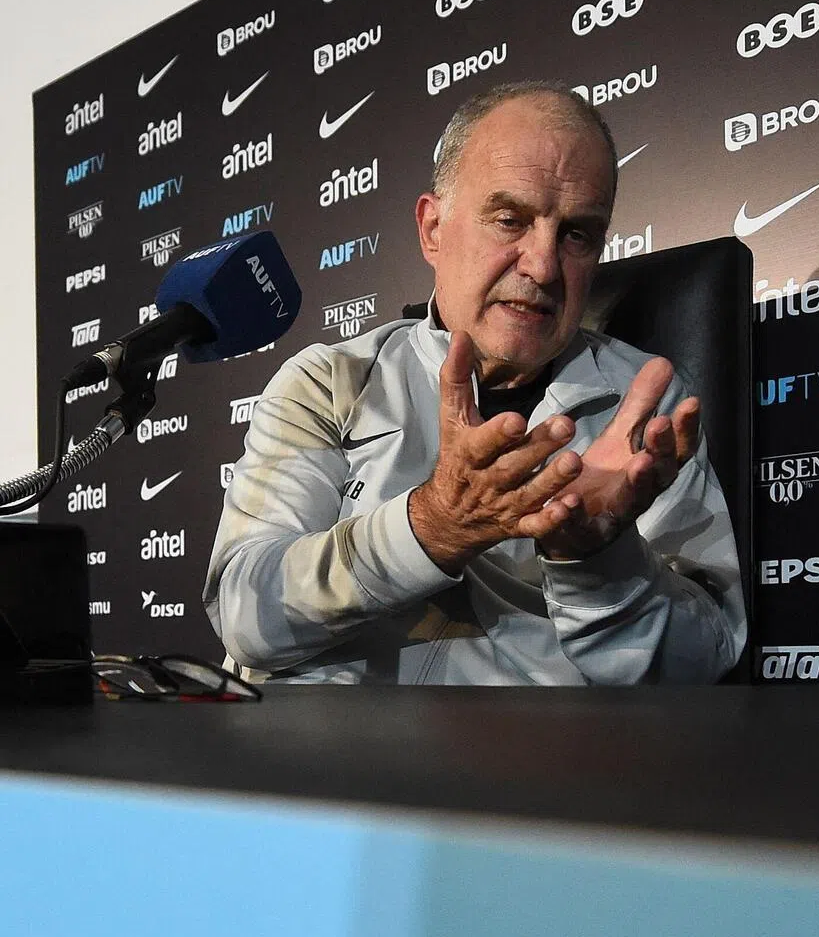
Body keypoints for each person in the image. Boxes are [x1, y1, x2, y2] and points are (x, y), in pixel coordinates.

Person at [203, 82, 747, 684]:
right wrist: (431, 526)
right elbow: (245, 616)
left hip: (534, 767)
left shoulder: (644, 411)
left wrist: (598, 561)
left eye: (577, 235)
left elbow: (707, 665)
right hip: (329, 762)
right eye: (510, 219)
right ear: (433, 229)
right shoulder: (331, 381)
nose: (542, 265)